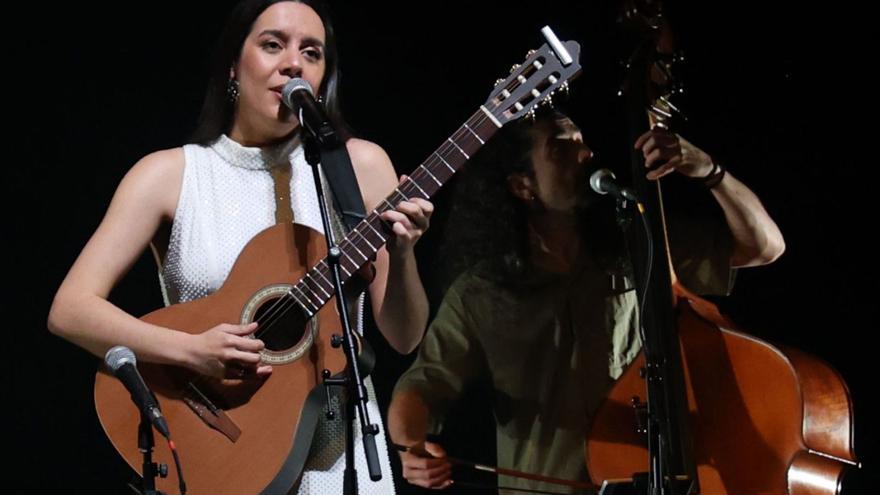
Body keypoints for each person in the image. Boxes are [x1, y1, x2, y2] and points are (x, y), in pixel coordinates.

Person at [47, 1, 431, 493]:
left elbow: (403, 336)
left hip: (342, 463)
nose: (293, 62)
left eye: (311, 52)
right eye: (273, 44)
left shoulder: (359, 166)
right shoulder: (170, 175)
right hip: (221, 455)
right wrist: (191, 351)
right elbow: (71, 309)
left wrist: (402, 257)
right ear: (233, 64)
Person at [388, 111, 785, 493]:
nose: (586, 155)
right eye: (562, 149)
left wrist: (710, 172)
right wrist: (411, 448)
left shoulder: (641, 248)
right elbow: (423, 385)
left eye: (583, 143)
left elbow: (764, 247)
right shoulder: (481, 292)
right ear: (522, 186)